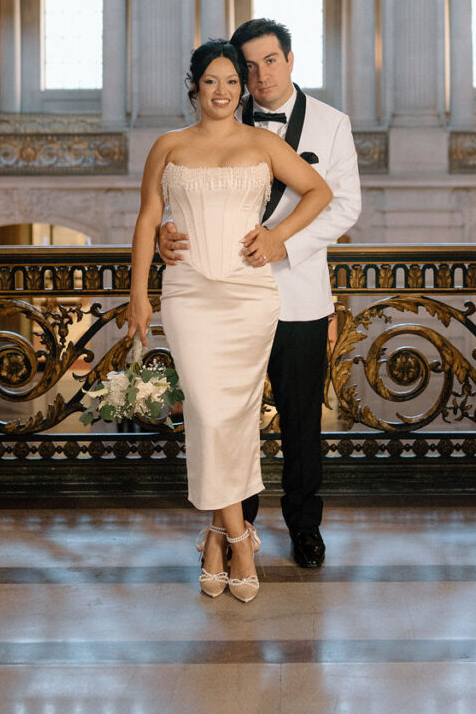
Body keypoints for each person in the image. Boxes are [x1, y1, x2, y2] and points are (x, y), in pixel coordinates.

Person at [126, 39, 332, 602]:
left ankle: (218, 535)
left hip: (248, 296)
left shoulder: (263, 143)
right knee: (208, 412)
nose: (223, 91)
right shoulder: (168, 145)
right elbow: (148, 219)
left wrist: (276, 236)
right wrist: (138, 294)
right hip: (188, 294)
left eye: (232, 82)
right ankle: (241, 538)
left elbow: (320, 191)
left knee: (234, 418)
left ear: (242, 90)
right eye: (212, 81)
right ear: (194, 86)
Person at [160, 19, 361, 569]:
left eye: (269, 61)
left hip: (297, 292)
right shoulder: (221, 112)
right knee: (227, 414)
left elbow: (343, 205)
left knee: (300, 419)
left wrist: (281, 243)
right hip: (216, 296)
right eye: (247, 66)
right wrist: (164, 230)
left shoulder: (331, 123)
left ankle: (304, 527)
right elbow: (184, 191)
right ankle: (234, 527)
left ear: (291, 60)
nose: (257, 75)